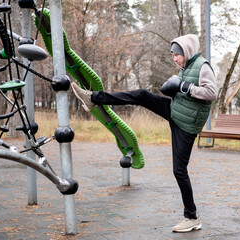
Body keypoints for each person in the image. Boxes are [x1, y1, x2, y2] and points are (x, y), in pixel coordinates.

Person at [71, 34, 217, 233]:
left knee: (179, 170)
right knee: (141, 95)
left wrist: (184, 87)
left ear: (187, 51)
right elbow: (186, 94)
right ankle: (93, 98)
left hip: (186, 125)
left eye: (177, 55)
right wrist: (177, 90)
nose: (174, 59)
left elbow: (211, 93)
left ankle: (191, 217)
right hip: (175, 112)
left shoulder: (202, 66)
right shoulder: (186, 68)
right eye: (173, 55)